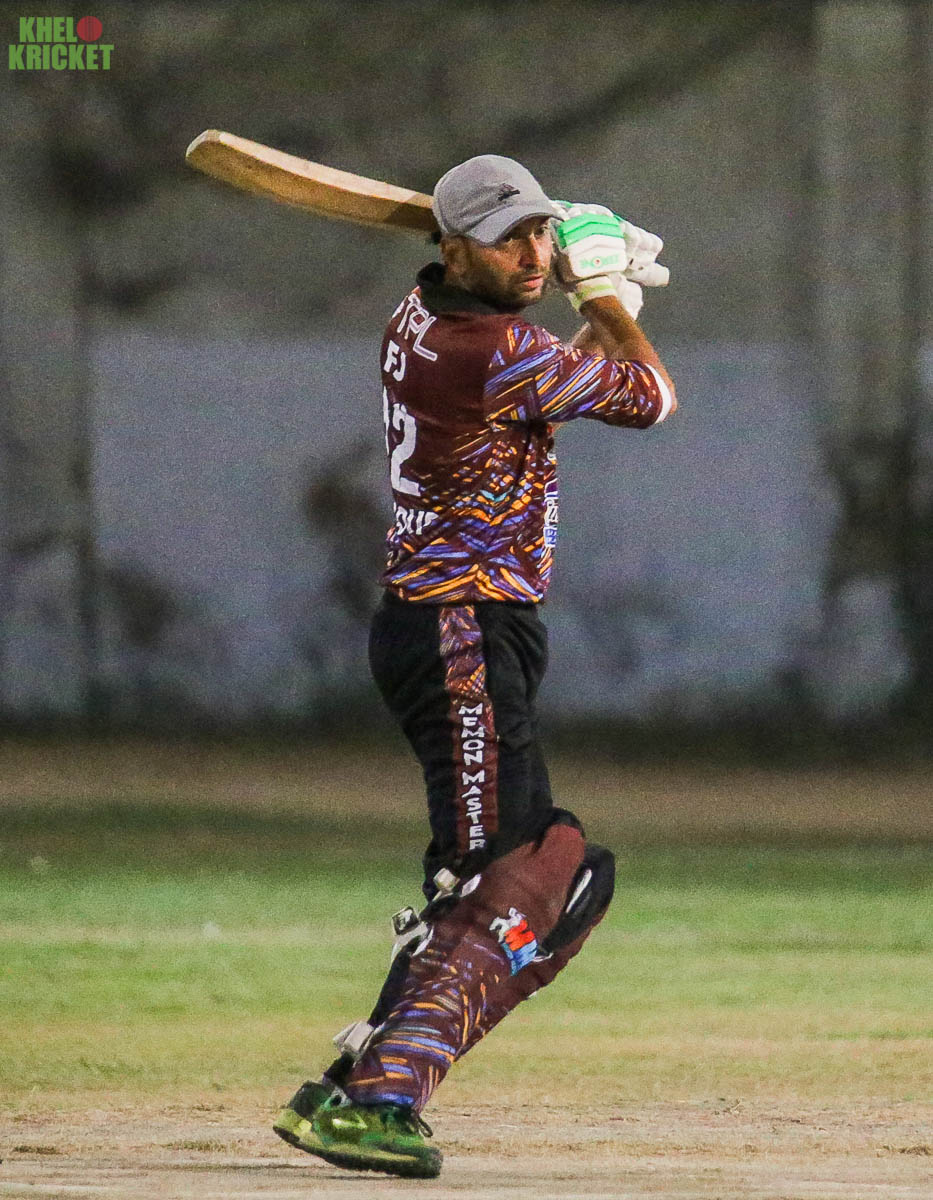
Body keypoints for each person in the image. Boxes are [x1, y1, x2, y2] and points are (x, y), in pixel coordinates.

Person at [273, 154, 677, 1179]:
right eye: (509, 241)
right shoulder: (489, 347)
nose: (533, 256)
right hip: (461, 632)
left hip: (459, 628)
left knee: (554, 873)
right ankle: (380, 1098)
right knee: (511, 875)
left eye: (542, 234)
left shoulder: (427, 322)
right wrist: (602, 291)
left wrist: (608, 308)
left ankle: (355, 1084)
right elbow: (650, 398)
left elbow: (552, 387)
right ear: (453, 249)